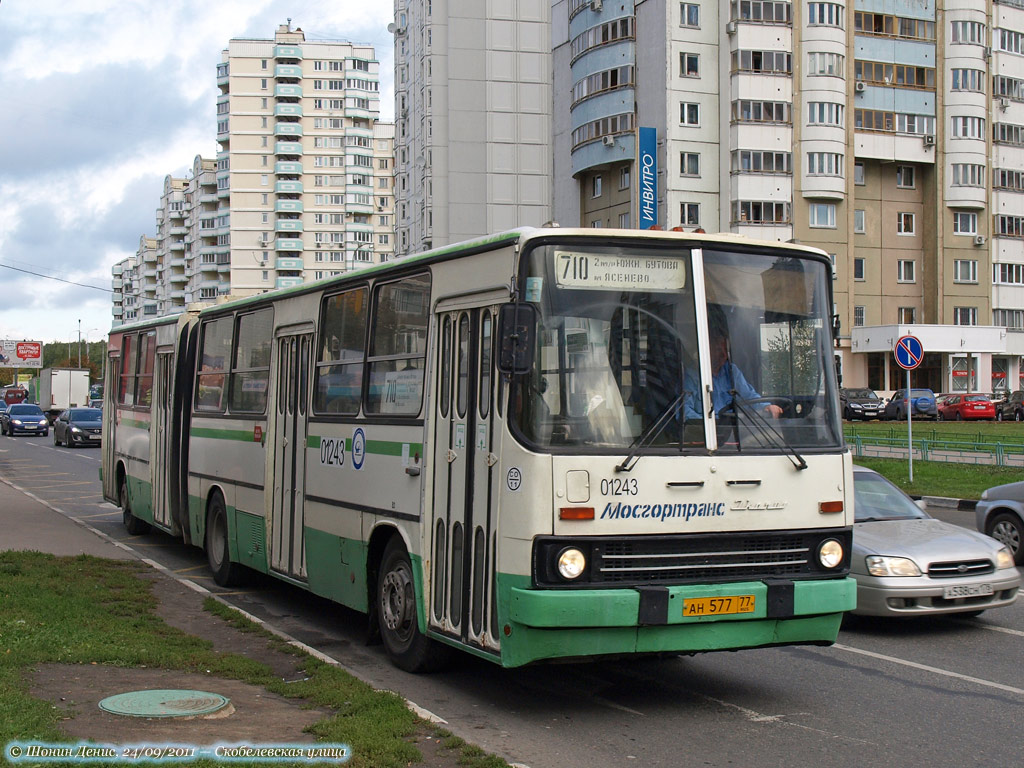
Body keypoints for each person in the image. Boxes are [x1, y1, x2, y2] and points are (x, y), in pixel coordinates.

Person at [682, 305, 783, 421]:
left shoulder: (731, 371)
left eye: (726, 350)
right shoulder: (691, 376)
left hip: (733, 433)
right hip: (705, 435)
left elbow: (749, 397)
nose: (723, 354)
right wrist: (710, 424)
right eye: (719, 349)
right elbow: (684, 413)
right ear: (707, 350)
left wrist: (767, 406)